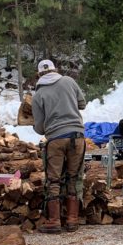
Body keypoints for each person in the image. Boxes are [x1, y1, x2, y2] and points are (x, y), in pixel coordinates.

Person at [32, 59, 87, 233]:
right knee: (74, 177)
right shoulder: (69, 81)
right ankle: (72, 219)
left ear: (39, 74)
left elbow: (40, 128)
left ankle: (54, 221)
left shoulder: (38, 95)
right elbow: (82, 104)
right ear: (55, 70)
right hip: (77, 137)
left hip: (55, 139)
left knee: (53, 180)